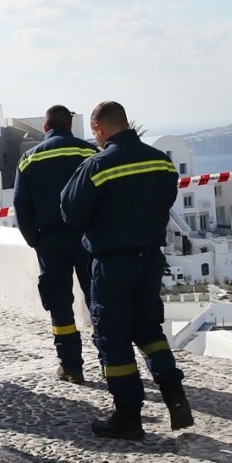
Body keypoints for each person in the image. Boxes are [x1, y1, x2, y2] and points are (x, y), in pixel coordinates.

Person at [60, 101, 193, 439]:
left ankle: (128, 416)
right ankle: (174, 395)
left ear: (99, 130)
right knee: (149, 330)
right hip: (149, 260)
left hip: (112, 264)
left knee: (113, 337)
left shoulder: (98, 165)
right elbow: (165, 199)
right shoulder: (162, 162)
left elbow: (71, 211)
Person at [13, 105, 99, 383]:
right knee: (98, 299)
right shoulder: (90, 153)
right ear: (70, 126)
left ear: (45, 128)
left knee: (59, 304)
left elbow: (21, 204)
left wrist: (34, 240)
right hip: (88, 238)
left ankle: (71, 366)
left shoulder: (29, 159)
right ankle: (111, 359)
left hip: (50, 241)